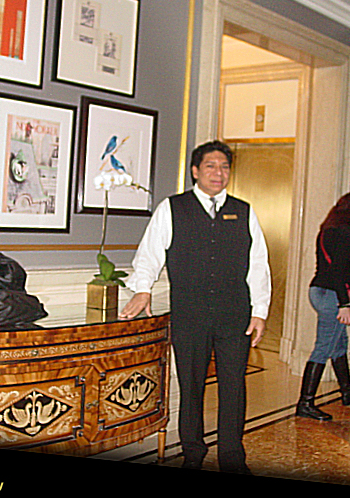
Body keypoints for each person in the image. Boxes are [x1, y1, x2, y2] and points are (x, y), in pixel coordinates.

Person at [119, 140, 271, 474]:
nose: (219, 173)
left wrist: (259, 309)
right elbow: (149, 254)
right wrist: (142, 289)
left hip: (235, 315)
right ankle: (193, 450)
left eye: (225, 167)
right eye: (211, 166)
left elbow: (258, 264)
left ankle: (232, 455)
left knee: (234, 387)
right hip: (190, 314)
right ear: (195, 171)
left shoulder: (244, 211)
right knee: (191, 385)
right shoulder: (172, 208)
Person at [296, 192, 350, 421]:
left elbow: (337, 265)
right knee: (323, 347)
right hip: (331, 295)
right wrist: (344, 303)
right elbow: (338, 269)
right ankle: (305, 403)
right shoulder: (345, 232)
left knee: (339, 344)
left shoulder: (329, 229)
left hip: (321, 289)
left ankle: (347, 390)